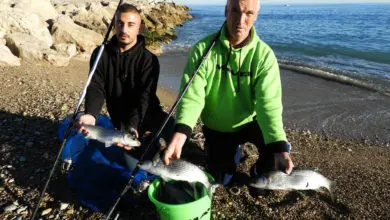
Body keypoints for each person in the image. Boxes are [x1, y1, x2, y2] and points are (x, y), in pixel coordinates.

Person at [163, 0, 294, 185]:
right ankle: (229, 155)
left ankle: (257, 169)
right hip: (219, 127)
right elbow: (192, 96)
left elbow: (268, 105)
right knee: (221, 180)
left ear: (256, 16)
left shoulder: (264, 56)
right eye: (235, 11)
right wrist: (180, 133)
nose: (241, 20)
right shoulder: (203, 49)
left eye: (248, 13)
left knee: (275, 158)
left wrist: (279, 147)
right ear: (226, 11)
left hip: (250, 121)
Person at [78, 3, 173, 166]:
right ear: (114, 25)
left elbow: (145, 97)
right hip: (120, 120)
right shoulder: (100, 53)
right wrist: (91, 114)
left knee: (174, 132)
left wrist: (133, 125)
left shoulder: (149, 60)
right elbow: (96, 86)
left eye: (131, 25)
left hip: (146, 113)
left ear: (140, 28)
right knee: (138, 163)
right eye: (120, 23)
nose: (124, 30)